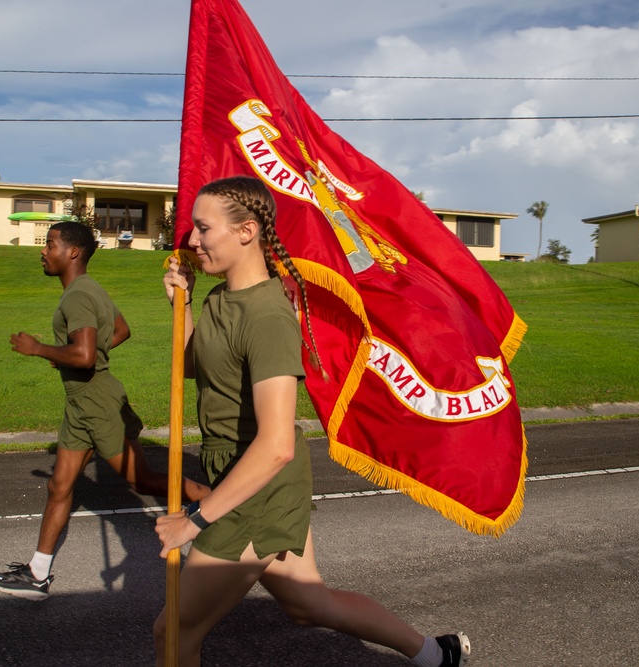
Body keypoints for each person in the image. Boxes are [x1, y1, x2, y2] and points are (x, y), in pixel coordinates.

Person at [155, 176, 470, 666]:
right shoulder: (219, 300)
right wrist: (184, 304)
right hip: (234, 469)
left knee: (174, 631)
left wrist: (195, 521)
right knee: (307, 603)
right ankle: (435, 655)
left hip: (259, 481)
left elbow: (277, 443)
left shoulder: (267, 316)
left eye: (202, 228)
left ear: (246, 231)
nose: (190, 240)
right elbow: (197, 367)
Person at [0, 221, 208, 601]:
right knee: (59, 485)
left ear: (72, 252)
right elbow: (120, 331)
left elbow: (86, 356)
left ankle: (223, 504)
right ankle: (37, 574)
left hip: (98, 404)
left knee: (145, 481)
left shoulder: (76, 297)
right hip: (80, 405)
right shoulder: (89, 289)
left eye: (50, 244)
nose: (43, 250)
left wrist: (40, 348)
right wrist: (67, 356)